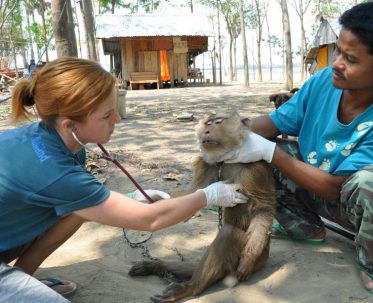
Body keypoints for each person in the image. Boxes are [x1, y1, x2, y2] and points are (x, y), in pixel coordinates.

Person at [0, 57, 248, 303]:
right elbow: (151, 219)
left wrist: (130, 199)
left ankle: (24, 277)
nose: (117, 120)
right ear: (69, 124)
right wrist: (209, 196)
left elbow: (82, 203)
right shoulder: (54, 169)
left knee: (77, 210)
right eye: (107, 115)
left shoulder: (54, 138)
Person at [224, 2, 373, 296]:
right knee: (251, 153)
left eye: (351, 59)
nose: (337, 63)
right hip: (311, 183)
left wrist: (269, 152)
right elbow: (275, 123)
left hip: (353, 205)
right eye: (338, 50)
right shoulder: (322, 83)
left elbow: (334, 189)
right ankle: (306, 227)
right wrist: (229, 135)